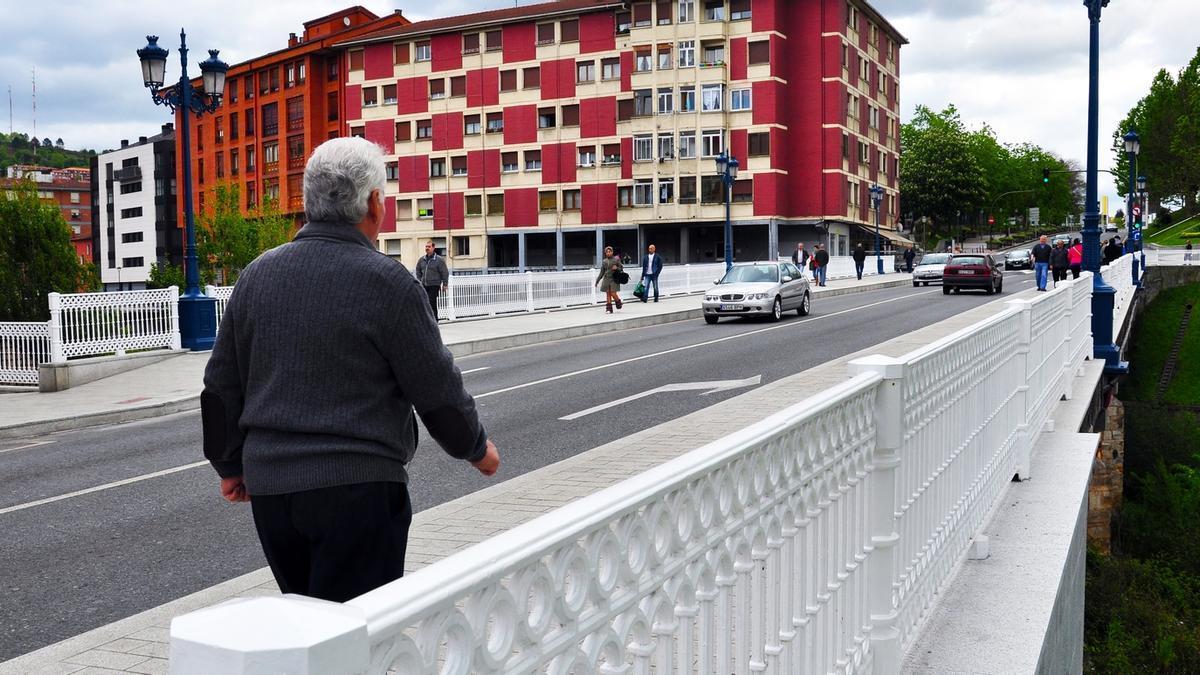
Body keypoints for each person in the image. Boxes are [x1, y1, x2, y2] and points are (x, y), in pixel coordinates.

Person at [201, 137, 500, 604]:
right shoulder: (388, 281)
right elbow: (435, 387)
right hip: (358, 489)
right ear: (375, 203)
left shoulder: (257, 275)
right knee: (354, 632)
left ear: (309, 202)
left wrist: (230, 464)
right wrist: (476, 449)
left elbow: (221, 387)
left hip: (274, 497)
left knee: (306, 626)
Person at [414, 240, 449, 320]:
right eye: (426, 247)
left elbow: (444, 272)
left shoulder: (439, 260)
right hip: (424, 285)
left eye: (429, 247)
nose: (427, 248)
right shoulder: (422, 259)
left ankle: (434, 320)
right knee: (424, 303)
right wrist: (419, 280)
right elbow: (418, 269)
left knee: (432, 302)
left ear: (433, 248)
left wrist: (445, 284)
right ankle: (427, 320)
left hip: (434, 285)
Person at [596, 245, 623, 313]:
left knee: (613, 293)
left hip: (614, 278)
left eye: (609, 251)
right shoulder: (604, 261)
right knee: (608, 293)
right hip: (606, 279)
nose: (608, 253)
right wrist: (597, 281)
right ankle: (609, 309)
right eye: (607, 252)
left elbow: (621, 268)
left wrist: (617, 268)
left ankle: (618, 302)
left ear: (612, 252)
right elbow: (601, 272)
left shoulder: (616, 260)